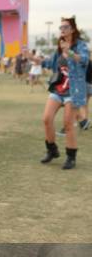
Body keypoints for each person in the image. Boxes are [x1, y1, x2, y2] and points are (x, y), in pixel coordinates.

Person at [41, 17, 89, 169]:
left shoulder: (80, 45)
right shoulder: (59, 47)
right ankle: (52, 150)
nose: (62, 29)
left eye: (65, 27)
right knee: (46, 119)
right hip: (58, 89)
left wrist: (70, 52)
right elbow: (50, 63)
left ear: (72, 29)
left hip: (73, 91)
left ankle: (71, 156)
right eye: (60, 27)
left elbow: (84, 60)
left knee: (68, 123)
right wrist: (33, 58)